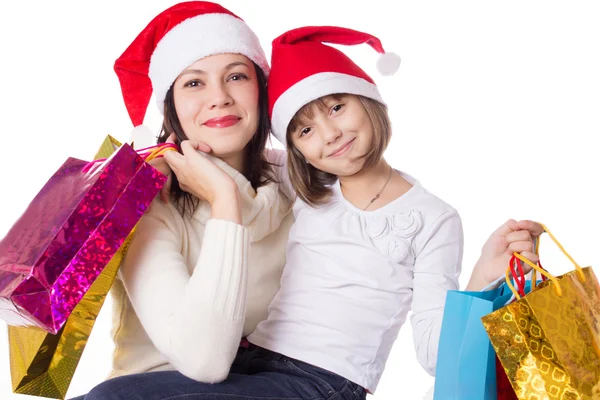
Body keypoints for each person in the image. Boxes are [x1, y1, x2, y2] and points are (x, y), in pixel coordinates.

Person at [76, 25, 543, 400]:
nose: (329, 135)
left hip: (320, 383)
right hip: (250, 365)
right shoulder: (306, 190)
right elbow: (245, 191)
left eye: (338, 106)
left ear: (371, 101)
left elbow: (435, 351)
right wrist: (203, 179)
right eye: (303, 130)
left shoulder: (424, 215)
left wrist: (483, 280)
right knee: (110, 393)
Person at [83, 0, 294, 391]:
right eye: (194, 82)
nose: (219, 97)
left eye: (236, 77)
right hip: (150, 389)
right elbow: (205, 360)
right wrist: (224, 200)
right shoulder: (144, 201)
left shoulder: (297, 180)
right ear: (171, 108)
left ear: (261, 91)